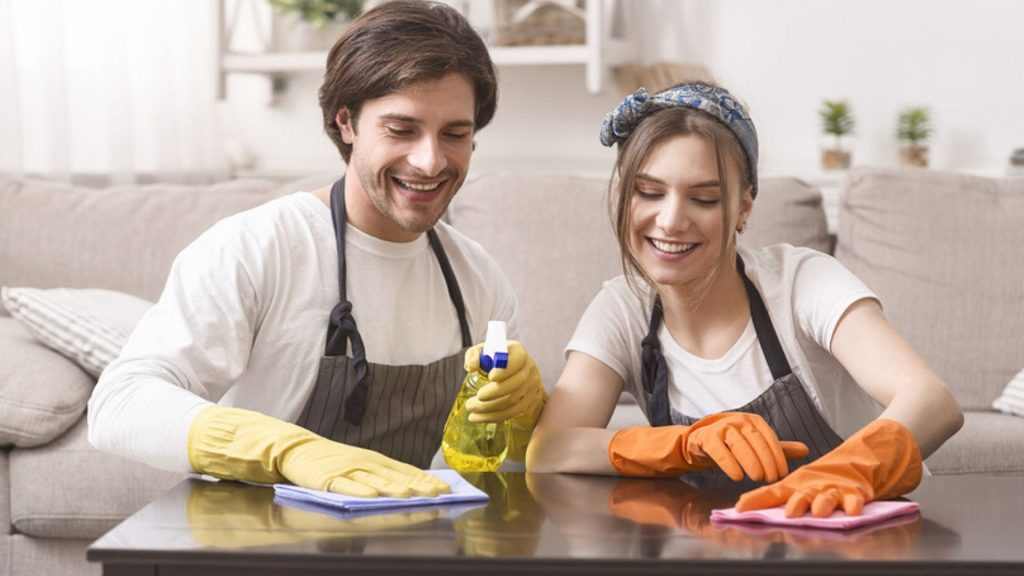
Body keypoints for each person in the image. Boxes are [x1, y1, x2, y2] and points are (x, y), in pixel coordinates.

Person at [88, 0, 546, 499]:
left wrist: (525, 417)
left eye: (455, 134)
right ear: (346, 122)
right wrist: (284, 450)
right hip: (263, 544)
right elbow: (120, 403)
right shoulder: (257, 247)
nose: (429, 160)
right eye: (401, 129)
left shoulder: (478, 278)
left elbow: (508, 467)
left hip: (414, 538)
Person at [525, 81, 963, 517]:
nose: (671, 220)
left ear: (744, 208)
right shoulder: (623, 309)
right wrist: (683, 444)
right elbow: (549, 449)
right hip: (730, 548)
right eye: (650, 192)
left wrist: (854, 468)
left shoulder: (801, 284)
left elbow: (932, 400)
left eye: (704, 198)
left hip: (862, 540)